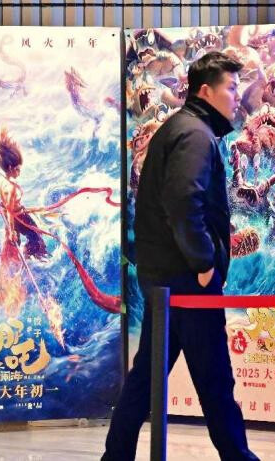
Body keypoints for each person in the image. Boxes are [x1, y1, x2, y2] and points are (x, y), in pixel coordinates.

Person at [102, 52, 258, 461]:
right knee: (215, 381)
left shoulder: (183, 127)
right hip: (186, 283)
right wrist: (204, 263)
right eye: (231, 86)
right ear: (206, 90)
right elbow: (183, 200)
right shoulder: (194, 134)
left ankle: (114, 457)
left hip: (166, 281)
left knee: (146, 381)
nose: (237, 95)